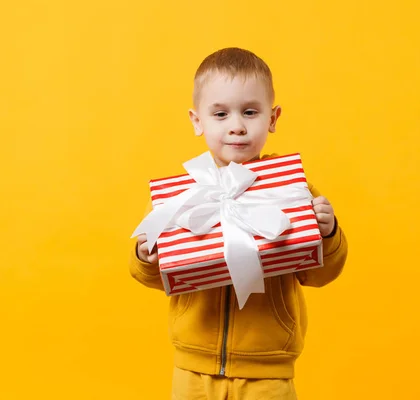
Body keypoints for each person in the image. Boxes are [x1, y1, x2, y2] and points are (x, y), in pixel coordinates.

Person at [129, 47, 348, 399]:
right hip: (192, 366)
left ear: (272, 118)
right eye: (220, 114)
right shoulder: (181, 199)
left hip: (268, 369)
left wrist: (328, 233)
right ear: (197, 120)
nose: (236, 126)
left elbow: (319, 273)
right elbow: (155, 275)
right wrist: (145, 256)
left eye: (249, 112)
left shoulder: (293, 190)